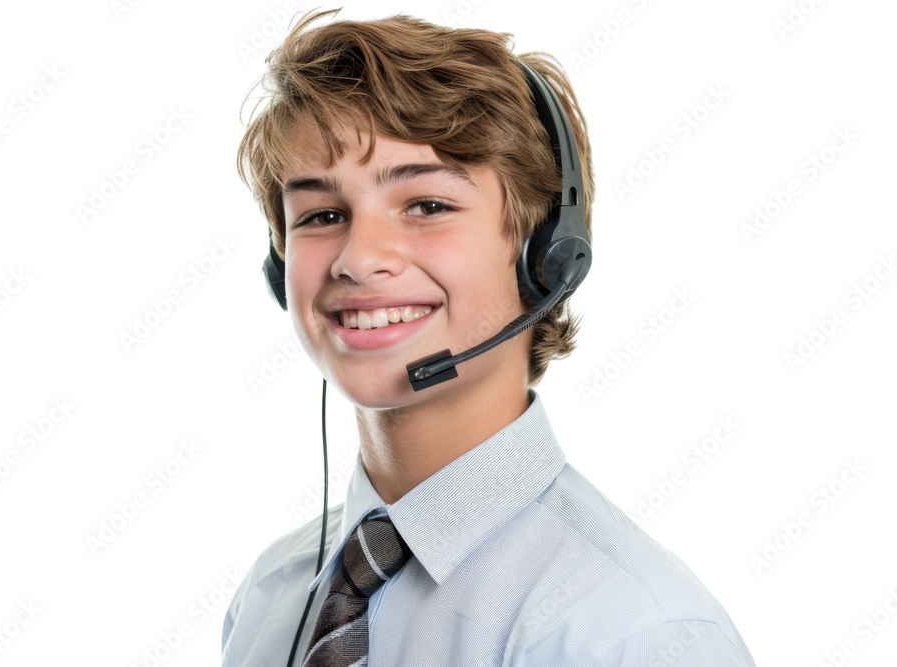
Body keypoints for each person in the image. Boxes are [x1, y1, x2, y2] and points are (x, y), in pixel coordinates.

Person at [223, 8, 755, 666]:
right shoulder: (271, 593)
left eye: (427, 206)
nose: (357, 258)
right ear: (281, 269)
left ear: (546, 257)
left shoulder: (632, 632)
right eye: (323, 214)